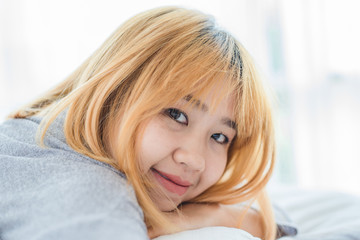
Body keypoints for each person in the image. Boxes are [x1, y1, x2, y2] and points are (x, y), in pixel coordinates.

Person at [0, 6, 280, 240]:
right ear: (114, 89)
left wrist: (207, 216)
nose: (195, 160)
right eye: (176, 115)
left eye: (219, 137)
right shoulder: (95, 196)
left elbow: (276, 219)